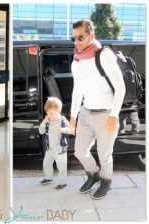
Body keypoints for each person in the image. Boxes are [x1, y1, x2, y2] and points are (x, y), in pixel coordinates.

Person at [69, 19, 125, 200]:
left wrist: (114, 115)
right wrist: (73, 115)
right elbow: (77, 89)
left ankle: (106, 181)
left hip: (105, 114)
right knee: (79, 151)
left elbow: (120, 87)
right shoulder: (76, 61)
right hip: (86, 112)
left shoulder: (103, 55)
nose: (76, 42)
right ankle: (93, 175)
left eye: (80, 37)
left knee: (104, 155)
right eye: (74, 38)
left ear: (91, 36)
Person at [39, 97, 73, 190]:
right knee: (46, 164)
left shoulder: (62, 120)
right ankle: (48, 177)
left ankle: (62, 182)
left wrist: (62, 130)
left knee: (61, 166)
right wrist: (43, 122)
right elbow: (41, 132)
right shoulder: (47, 121)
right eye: (48, 113)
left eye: (52, 113)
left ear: (58, 111)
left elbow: (71, 130)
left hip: (59, 149)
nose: (49, 115)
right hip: (49, 148)